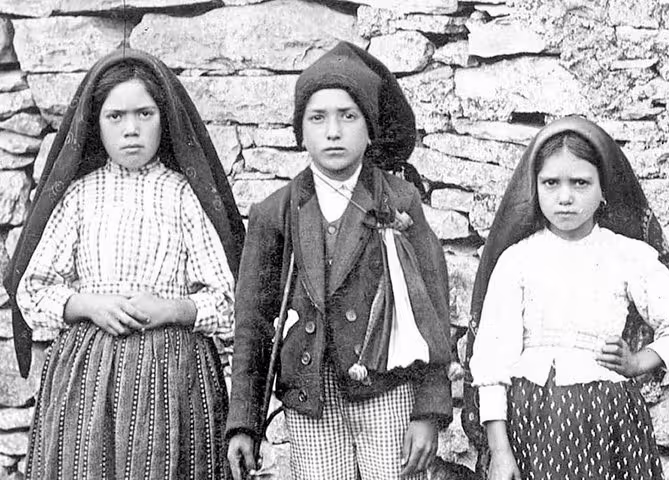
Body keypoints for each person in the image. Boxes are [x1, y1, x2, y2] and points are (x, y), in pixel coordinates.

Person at [3, 49, 245, 479]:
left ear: (164, 118)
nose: (131, 129)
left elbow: (228, 298)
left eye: (144, 114)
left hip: (173, 371)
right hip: (86, 375)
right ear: (95, 124)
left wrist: (172, 309)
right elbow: (33, 288)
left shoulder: (183, 196)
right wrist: (88, 304)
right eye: (115, 116)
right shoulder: (79, 197)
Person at [226, 41, 454, 480]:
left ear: (369, 128)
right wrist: (244, 422)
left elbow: (433, 311)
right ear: (301, 132)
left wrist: (428, 411)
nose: (333, 131)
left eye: (348, 116)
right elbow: (253, 322)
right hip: (311, 398)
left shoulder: (398, 201)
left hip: (386, 388)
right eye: (318, 118)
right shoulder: (276, 212)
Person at [464, 116, 669, 479]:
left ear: (603, 189)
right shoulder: (518, 260)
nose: (565, 197)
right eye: (551, 183)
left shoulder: (627, 255)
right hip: (532, 423)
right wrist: (501, 452)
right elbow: (491, 365)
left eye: (580, 183)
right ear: (535, 188)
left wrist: (640, 361)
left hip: (610, 421)